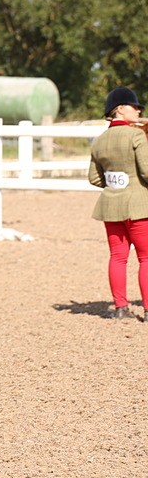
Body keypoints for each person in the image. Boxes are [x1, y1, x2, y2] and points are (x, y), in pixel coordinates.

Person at [88, 87, 148, 321]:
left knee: (117, 257)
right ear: (120, 109)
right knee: (146, 258)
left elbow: (94, 178)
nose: (138, 110)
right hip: (138, 206)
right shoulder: (135, 136)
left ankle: (120, 307)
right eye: (134, 106)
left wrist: (117, 184)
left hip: (111, 206)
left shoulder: (99, 141)